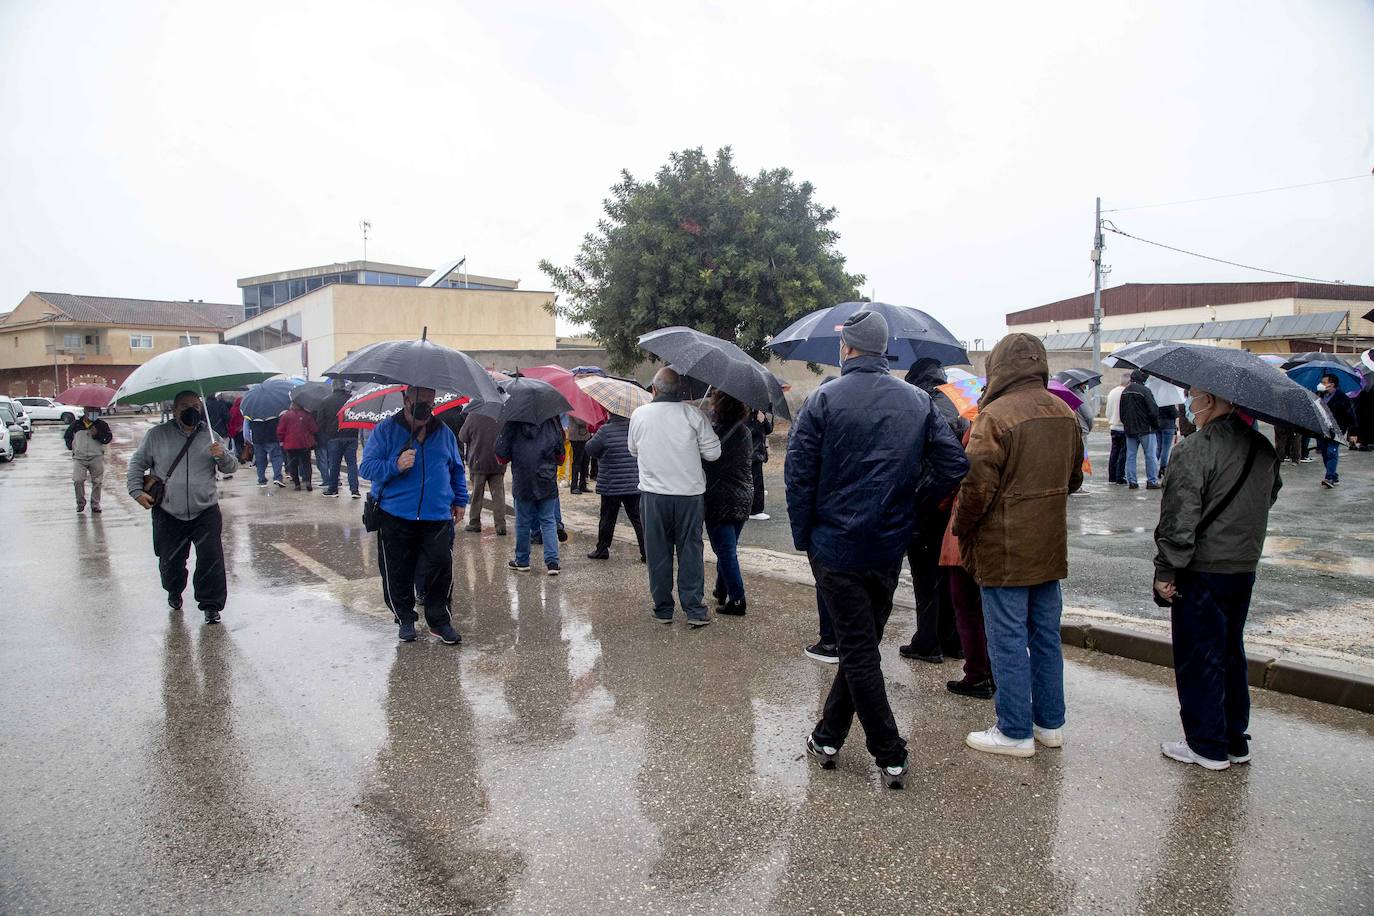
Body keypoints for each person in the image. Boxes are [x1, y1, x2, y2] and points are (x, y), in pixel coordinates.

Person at [787, 310, 968, 789]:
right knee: (860, 644)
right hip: (887, 544)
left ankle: (889, 751)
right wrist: (914, 506)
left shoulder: (823, 399)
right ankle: (827, 736)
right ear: (883, 351)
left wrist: (805, 537)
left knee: (859, 649)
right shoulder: (917, 401)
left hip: (838, 546)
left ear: (847, 349)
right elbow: (952, 465)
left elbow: (799, 475)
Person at [953, 333, 1083, 758]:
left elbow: (975, 488)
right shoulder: (1063, 411)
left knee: (1006, 637)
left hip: (1004, 546)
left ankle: (1013, 730)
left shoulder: (994, 416)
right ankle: (1049, 724)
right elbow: (1075, 479)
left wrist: (962, 528)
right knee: (1045, 636)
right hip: (1050, 544)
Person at [1154, 386, 1281, 770]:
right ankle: (1234, 738)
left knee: (1198, 655)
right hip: (1243, 563)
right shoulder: (1262, 446)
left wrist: (1166, 569)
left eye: (1193, 396)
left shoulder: (1194, 448)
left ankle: (1206, 744)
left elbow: (1180, 515)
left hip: (1203, 565)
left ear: (1208, 400)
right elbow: (1270, 494)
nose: (1189, 404)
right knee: (1231, 651)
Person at [359, 385, 467, 644]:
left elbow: (456, 468)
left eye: (430, 402)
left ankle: (440, 621)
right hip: (395, 514)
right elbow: (366, 467)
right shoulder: (386, 430)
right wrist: (395, 465)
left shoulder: (443, 432)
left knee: (440, 568)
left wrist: (460, 500)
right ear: (405, 400)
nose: (425, 407)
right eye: (420, 401)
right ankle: (405, 618)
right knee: (398, 571)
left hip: (437, 515)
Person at [126, 390, 239, 624]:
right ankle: (174, 590)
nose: (192, 410)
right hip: (168, 511)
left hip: (205, 509)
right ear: (175, 410)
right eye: (186, 406)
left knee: (211, 558)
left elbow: (231, 467)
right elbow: (137, 463)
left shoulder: (210, 436)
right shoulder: (157, 435)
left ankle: (210, 605)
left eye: (196, 406)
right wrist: (136, 491)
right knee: (170, 561)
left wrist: (222, 456)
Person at [628, 367, 722, 626]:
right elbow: (713, 454)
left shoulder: (639, 415)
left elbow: (633, 450)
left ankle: (663, 609)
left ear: (654, 389)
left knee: (657, 552)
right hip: (689, 496)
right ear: (679, 390)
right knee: (690, 550)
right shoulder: (693, 415)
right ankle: (694, 609)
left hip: (653, 496)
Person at [899, 357, 968, 663]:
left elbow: (929, 460)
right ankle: (952, 640)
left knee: (925, 577)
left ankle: (927, 641)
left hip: (927, 505)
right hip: (953, 506)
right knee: (950, 576)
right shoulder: (958, 407)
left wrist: (925, 497)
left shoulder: (920, 406)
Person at [703, 391, 754, 616]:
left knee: (725, 551)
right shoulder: (745, 432)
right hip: (744, 496)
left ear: (718, 408)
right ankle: (721, 588)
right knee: (728, 548)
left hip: (718, 498)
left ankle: (737, 599)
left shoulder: (714, 435)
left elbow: (706, 462)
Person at [496, 414, 565, 574]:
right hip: (546, 478)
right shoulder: (552, 419)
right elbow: (560, 455)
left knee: (522, 521)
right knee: (548, 521)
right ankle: (552, 563)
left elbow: (501, 454)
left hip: (523, 479)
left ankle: (522, 560)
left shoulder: (512, 420)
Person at [584, 410, 645, 561]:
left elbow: (590, 449)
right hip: (632, 482)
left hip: (611, 483)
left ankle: (602, 549)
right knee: (638, 519)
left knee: (607, 518)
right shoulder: (634, 429)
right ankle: (647, 552)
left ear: (611, 413)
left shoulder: (605, 430)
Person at [458, 409, 508, 535]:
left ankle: (474, 523)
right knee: (498, 495)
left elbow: (462, 436)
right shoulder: (500, 414)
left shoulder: (473, 415)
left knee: (477, 494)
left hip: (478, 461)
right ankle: (501, 525)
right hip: (497, 460)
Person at [316, 381, 361, 498]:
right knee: (352, 464)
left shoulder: (325, 401)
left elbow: (320, 422)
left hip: (334, 436)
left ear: (333, 387)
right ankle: (355, 490)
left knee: (334, 464)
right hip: (351, 435)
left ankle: (333, 489)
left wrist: (327, 432)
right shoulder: (352, 400)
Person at [64, 407, 113, 513]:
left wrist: (97, 434)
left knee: (97, 481)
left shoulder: (102, 425)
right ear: (85, 412)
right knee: (78, 480)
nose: (93, 414)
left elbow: (108, 438)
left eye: (96, 412)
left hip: (96, 456)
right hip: (79, 458)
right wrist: (72, 446)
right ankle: (80, 503)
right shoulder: (76, 424)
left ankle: (95, 504)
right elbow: (67, 436)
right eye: (91, 412)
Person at [1120, 369, 1161, 490]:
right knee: (1150, 455)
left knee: (1131, 456)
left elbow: (1121, 413)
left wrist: (1126, 424)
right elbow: (1153, 410)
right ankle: (1152, 481)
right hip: (1146, 429)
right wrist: (1155, 425)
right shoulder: (1145, 391)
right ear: (1142, 379)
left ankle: (1132, 481)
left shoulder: (1125, 391)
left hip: (1130, 429)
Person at [1316, 373, 1355, 489]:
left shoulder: (1342, 398)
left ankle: (1330, 478)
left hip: (1337, 430)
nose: (1321, 385)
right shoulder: (1319, 395)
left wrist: (1353, 433)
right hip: (1322, 430)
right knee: (1324, 453)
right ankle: (1334, 475)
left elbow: (1351, 416)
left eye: (1324, 382)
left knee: (1331, 452)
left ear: (1331, 384)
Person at [746, 411, 773, 520]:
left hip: (758, 453)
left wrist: (763, 420)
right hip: (751, 453)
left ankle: (755, 507)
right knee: (755, 482)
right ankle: (755, 510)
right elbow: (747, 432)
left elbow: (768, 429)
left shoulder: (758, 411)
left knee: (756, 481)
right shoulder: (745, 413)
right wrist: (758, 423)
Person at [249, 414, 285, 488]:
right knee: (276, 457)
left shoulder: (253, 412)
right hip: (272, 437)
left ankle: (261, 479)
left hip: (257, 437)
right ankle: (277, 477)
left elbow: (249, 425)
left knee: (260, 459)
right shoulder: (274, 411)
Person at [1106, 373, 1128, 484]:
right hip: (1124, 427)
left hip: (1113, 427)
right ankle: (1120, 477)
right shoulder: (1127, 393)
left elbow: (1108, 412)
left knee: (1114, 452)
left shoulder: (1112, 392)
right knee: (1123, 453)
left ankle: (1112, 477)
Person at [567, 415, 591, 494]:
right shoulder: (575, 407)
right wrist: (590, 420)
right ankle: (574, 486)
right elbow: (579, 421)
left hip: (585, 436)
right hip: (576, 437)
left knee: (585, 462)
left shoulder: (584, 407)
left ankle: (583, 484)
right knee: (577, 462)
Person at [1156, 403, 1180, 475]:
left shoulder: (1158, 401)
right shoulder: (1169, 403)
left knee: (1158, 448)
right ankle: (1163, 467)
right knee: (1165, 448)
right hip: (1168, 426)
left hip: (1158, 425)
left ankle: (1153, 465)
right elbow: (1174, 414)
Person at [227, 397, 245, 462]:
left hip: (236, 429)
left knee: (237, 443)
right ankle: (242, 455)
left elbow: (231, 419)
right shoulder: (243, 409)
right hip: (242, 428)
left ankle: (240, 455)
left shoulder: (233, 409)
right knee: (242, 443)